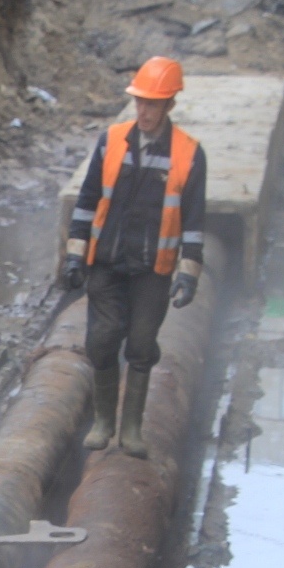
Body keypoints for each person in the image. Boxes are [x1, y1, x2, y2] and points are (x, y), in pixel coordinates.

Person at [62, 55, 207, 458]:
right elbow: (87, 201)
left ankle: (131, 428)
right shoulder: (111, 142)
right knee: (103, 340)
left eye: (153, 104)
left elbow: (194, 221)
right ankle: (104, 421)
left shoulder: (189, 155)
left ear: (169, 106)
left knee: (142, 344)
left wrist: (189, 273)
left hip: (152, 271)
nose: (144, 111)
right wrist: (75, 255)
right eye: (140, 102)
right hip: (107, 262)